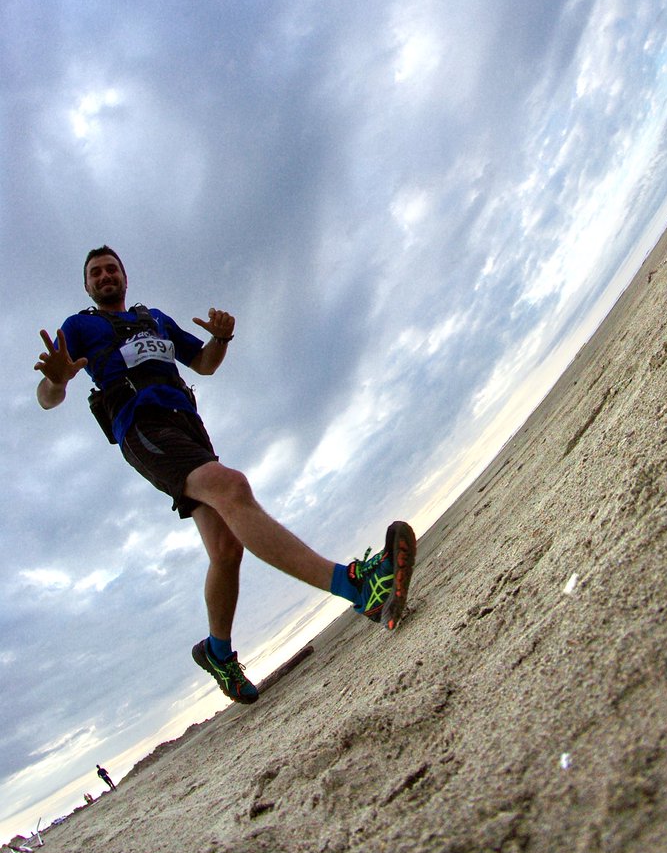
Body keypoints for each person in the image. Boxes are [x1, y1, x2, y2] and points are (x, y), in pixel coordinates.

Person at [35, 247, 416, 705]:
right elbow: (47, 396)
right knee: (233, 487)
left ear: (125, 276)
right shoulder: (79, 327)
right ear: (88, 287)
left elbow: (204, 363)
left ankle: (217, 652)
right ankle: (357, 586)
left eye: (111, 268)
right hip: (141, 426)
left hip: (187, 425)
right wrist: (56, 381)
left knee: (225, 547)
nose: (104, 275)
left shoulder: (153, 317)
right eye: (95, 273)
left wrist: (221, 339)